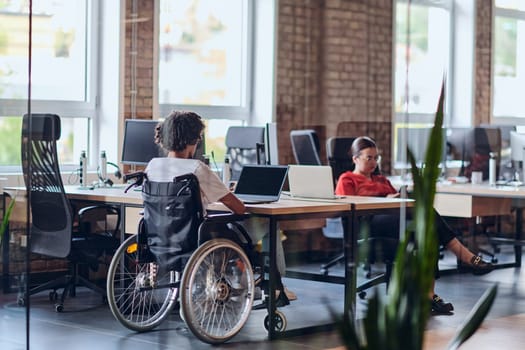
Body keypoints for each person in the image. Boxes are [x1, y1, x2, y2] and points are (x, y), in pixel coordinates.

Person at [144, 110, 295, 303]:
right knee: (266, 224)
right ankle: (276, 286)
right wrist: (228, 192)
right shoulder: (196, 169)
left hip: (160, 238)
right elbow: (239, 208)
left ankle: (244, 281)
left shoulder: (153, 166)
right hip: (195, 239)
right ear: (193, 139)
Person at [335, 136, 494, 314]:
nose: (373, 162)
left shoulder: (382, 180)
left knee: (429, 231)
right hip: (368, 223)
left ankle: (429, 294)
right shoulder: (347, 179)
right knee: (425, 215)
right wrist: (382, 199)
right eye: (368, 158)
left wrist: (399, 197)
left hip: (392, 221)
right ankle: (465, 256)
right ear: (355, 159)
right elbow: (347, 205)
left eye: (376, 158)